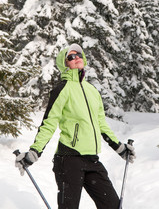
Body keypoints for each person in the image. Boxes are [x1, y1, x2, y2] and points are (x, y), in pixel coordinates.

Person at [15, 43, 136, 209]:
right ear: (65, 64)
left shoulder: (92, 90)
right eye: (71, 57)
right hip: (69, 160)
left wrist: (119, 147)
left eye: (79, 54)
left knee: (113, 205)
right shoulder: (62, 89)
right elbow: (49, 123)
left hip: (92, 160)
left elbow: (101, 123)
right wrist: (35, 151)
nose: (77, 58)